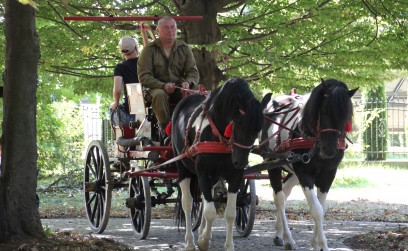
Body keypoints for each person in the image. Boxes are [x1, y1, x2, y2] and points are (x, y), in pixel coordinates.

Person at [137, 16, 200, 134]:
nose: (170, 30)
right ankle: (165, 129)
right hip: (155, 89)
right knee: (160, 95)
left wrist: (188, 82)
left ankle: (194, 125)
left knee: (196, 91)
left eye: (173, 27)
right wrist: (163, 85)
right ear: (158, 30)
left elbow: (193, 71)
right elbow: (144, 76)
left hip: (178, 88)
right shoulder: (149, 50)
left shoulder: (184, 48)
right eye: (166, 28)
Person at [110, 23, 152, 115]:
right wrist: (144, 33)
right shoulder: (144, 62)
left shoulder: (120, 68)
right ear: (136, 48)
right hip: (150, 102)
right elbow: (147, 50)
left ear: (122, 52)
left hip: (133, 107)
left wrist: (116, 102)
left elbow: (117, 90)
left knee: (112, 109)